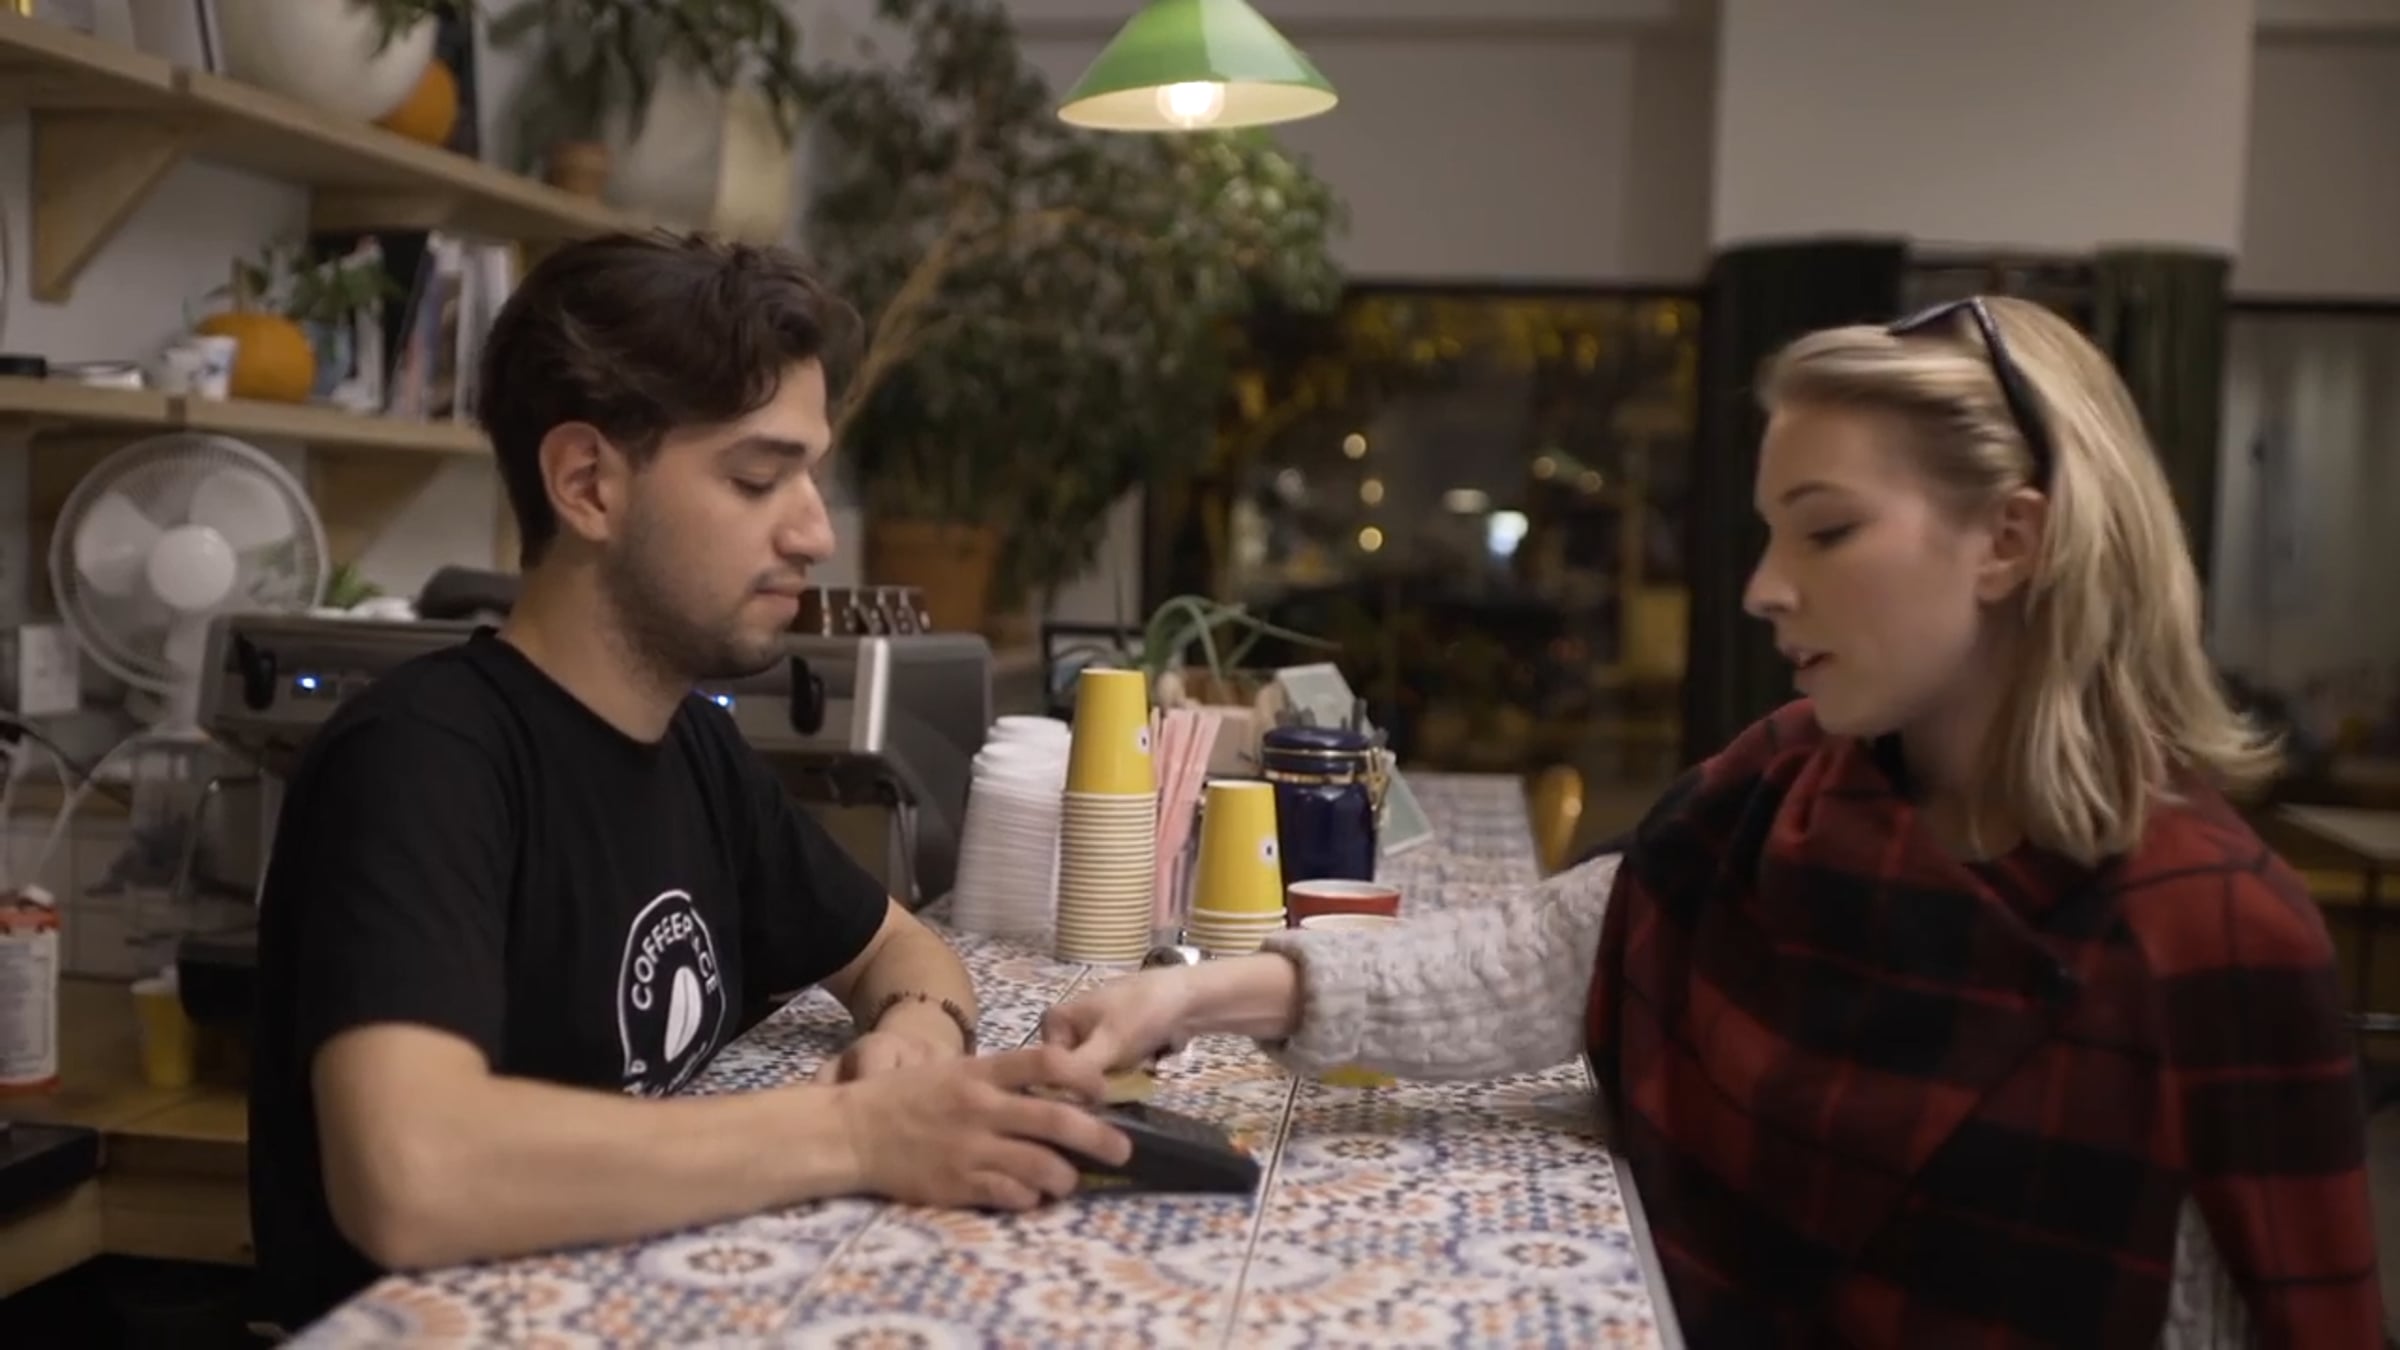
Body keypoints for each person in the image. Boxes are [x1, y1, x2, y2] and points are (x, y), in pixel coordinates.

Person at [1043, 297, 2382, 1347]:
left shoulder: (2213, 934)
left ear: (2011, 540)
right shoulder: (1782, 786)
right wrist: (1192, 995)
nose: (1763, 589)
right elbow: (1539, 954)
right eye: (1768, 535)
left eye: (1825, 532)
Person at [250, 231, 1129, 1332]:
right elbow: (413, 1178)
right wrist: (856, 1134)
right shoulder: (423, 760)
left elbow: (902, 950)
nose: (815, 532)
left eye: (810, 476)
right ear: (587, 484)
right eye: (757, 478)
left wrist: (914, 1039)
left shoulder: (694, 751)